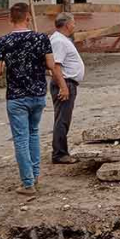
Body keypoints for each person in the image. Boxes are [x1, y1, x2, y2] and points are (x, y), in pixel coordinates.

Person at [0, 3, 56, 196]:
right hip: (37, 93)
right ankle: (35, 175)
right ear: (28, 17)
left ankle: (28, 183)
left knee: (21, 139)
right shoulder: (41, 38)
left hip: (16, 96)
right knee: (34, 133)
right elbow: (51, 64)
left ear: (10, 19)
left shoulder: (4, 41)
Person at [49, 12, 85, 164]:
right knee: (62, 119)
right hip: (65, 83)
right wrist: (63, 87)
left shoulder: (62, 40)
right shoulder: (59, 41)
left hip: (68, 82)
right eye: (73, 22)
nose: (75, 25)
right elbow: (56, 66)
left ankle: (61, 151)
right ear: (67, 24)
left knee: (63, 118)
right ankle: (59, 153)